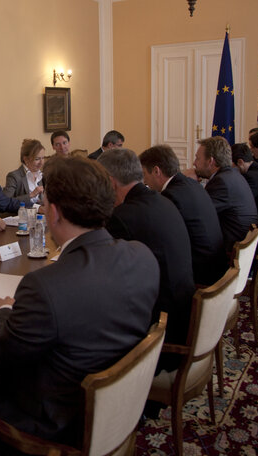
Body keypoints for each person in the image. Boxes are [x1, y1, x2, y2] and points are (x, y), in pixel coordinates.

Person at [0, 156, 159, 446]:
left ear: (53, 212)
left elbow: (0, 349)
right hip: (117, 410)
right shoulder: (142, 256)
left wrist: (5, 310)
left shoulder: (44, 287)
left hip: (54, 427)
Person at [98, 148, 195, 360]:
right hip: (183, 317)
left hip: (159, 336)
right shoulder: (162, 200)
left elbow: (104, 278)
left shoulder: (123, 217)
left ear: (110, 182)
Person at [139, 144, 227, 286]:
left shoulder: (171, 196)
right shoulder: (191, 184)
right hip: (216, 263)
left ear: (156, 171)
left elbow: (167, 242)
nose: (144, 181)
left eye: (144, 174)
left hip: (202, 272)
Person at [194, 137, 258, 252]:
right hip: (243, 244)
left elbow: (198, 215)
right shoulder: (232, 175)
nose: (194, 163)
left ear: (210, 161)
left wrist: (189, 184)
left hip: (231, 250)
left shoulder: (221, 182)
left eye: (197, 158)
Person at [2, 138, 45, 204]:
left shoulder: (43, 175)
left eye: (43, 158)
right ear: (26, 159)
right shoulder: (14, 176)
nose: (41, 162)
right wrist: (31, 195)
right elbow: (5, 202)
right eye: (37, 159)